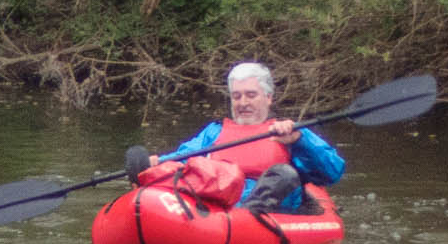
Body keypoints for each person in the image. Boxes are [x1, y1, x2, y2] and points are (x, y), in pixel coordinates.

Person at [137, 62, 346, 212]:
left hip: (272, 211)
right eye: (236, 96)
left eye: (251, 95)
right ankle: (238, 215)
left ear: (268, 97)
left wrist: (301, 141)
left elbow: (333, 172)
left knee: (284, 174)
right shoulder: (214, 132)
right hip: (220, 207)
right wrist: (154, 165)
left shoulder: (289, 132)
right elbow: (182, 159)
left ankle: (248, 214)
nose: (243, 102)